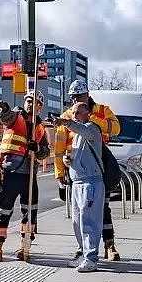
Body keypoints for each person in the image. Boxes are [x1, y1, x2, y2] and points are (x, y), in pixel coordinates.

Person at [54, 80, 121, 262]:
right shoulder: (66, 116)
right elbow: (59, 147)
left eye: (80, 96)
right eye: (73, 97)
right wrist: (60, 172)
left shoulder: (101, 110)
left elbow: (115, 128)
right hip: (74, 169)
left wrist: (89, 118)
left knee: (102, 208)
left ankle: (109, 244)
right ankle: (83, 247)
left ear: (87, 94)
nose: (76, 99)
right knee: (80, 212)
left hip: (98, 167)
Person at [0, 90, 50, 262]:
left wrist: (37, 149)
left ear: (40, 107)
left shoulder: (39, 128)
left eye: (35, 102)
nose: (31, 104)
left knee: (29, 213)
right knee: (4, 211)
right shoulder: (16, 117)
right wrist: (3, 109)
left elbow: (44, 152)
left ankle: (25, 247)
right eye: (29, 101)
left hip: (29, 176)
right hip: (10, 172)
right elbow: (6, 118)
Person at [52, 102, 105, 272]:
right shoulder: (76, 135)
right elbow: (78, 155)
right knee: (77, 221)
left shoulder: (92, 129)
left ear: (87, 113)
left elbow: (82, 130)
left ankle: (91, 258)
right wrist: (69, 162)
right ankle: (84, 254)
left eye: (78, 113)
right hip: (77, 182)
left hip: (90, 182)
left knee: (89, 220)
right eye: (73, 113)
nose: (74, 116)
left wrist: (65, 122)